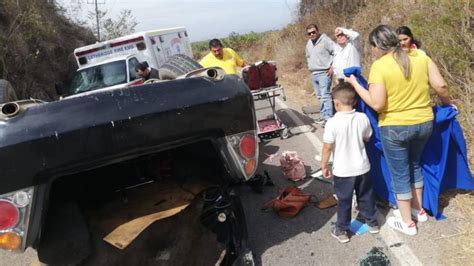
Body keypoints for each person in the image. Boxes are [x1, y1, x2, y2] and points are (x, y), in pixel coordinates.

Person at [345, 25, 451, 236]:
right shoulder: (420, 56)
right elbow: (441, 87)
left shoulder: (380, 66)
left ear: (377, 45)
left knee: (400, 173)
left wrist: (356, 85)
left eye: (372, 47)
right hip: (424, 123)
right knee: (415, 165)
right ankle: (418, 210)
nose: (372, 51)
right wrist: (448, 104)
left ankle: (407, 223)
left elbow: (377, 104)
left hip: (395, 127)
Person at [321, 82, 379, 243]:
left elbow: (327, 147)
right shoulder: (362, 117)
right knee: (366, 196)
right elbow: (367, 137)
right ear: (353, 101)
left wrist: (324, 165)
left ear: (336, 103)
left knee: (344, 201)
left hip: (343, 171)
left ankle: (342, 230)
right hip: (362, 167)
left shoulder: (332, 122)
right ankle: (372, 223)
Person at [305, 24, 336, 125]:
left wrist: (333, 66)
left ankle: (329, 118)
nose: (312, 34)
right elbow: (308, 56)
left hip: (324, 72)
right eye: (309, 33)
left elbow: (336, 52)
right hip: (314, 73)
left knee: (325, 96)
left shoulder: (325, 40)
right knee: (319, 96)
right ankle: (323, 116)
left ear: (317, 31)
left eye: (314, 32)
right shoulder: (309, 43)